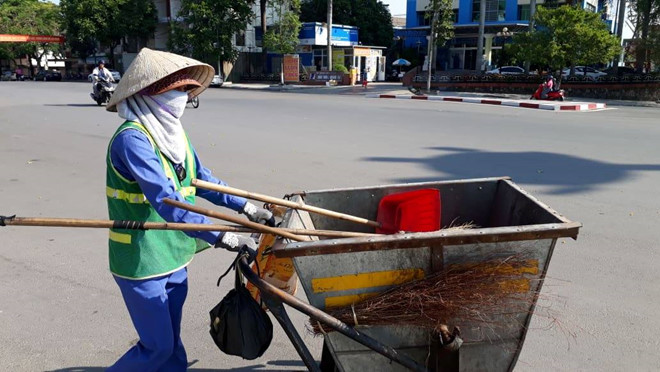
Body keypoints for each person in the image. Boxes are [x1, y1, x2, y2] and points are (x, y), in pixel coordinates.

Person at [103, 48, 274, 371]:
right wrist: (223, 236)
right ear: (151, 93)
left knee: (172, 345)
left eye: (186, 91)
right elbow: (168, 202)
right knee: (157, 347)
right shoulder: (133, 140)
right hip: (141, 261)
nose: (183, 97)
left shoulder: (172, 132)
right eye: (177, 90)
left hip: (173, 253)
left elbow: (200, 179)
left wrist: (248, 208)